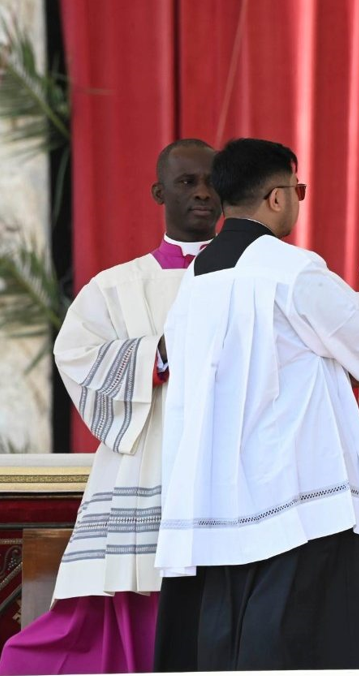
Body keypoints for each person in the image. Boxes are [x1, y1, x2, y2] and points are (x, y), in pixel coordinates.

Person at [154, 138, 359, 670]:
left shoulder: (195, 280)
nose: (298, 201)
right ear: (275, 198)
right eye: (297, 190)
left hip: (221, 505)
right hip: (298, 503)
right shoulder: (291, 269)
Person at [0, 139, 220, 675]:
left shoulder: (252, 277)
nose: (202, 193)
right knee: (139, 599)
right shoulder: (118, 286)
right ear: (158, 191)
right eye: (187, 182)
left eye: (212, 181)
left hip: (224, 460)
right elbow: (73, 352)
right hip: (146, 458)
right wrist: (156, 355)